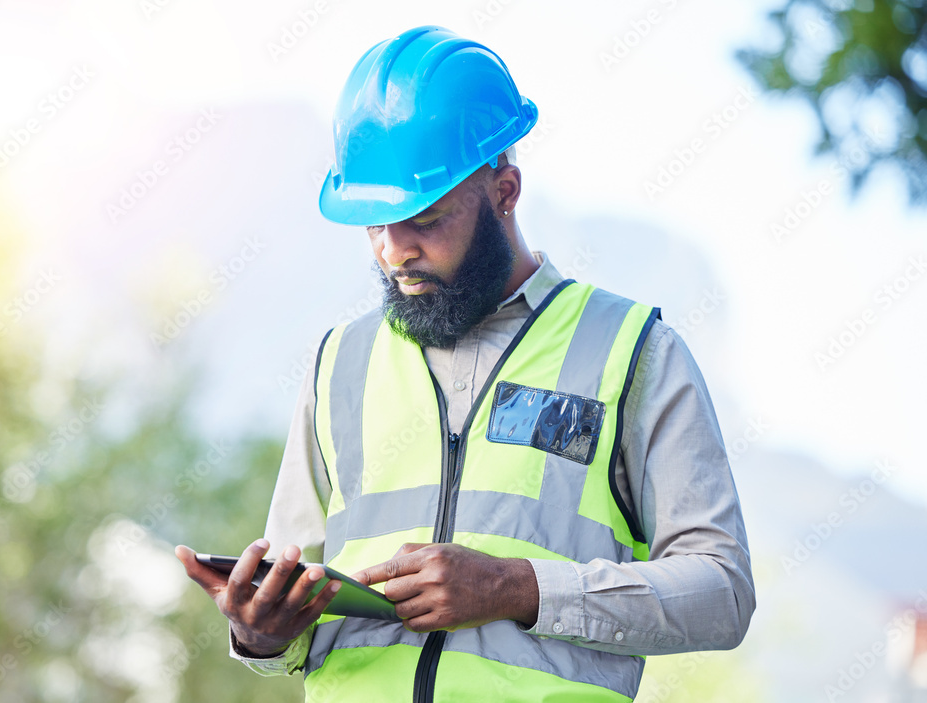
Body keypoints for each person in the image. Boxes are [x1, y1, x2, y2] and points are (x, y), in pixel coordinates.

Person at [177, 25, 755, 702]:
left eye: (423, 217)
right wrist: (262, 630)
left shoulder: (632, 352)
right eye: (373, 223)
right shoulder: (339, 363)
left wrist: (516, 586)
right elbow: (294, 598)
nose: (394, 252)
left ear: (504, 190)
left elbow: (722, 591)